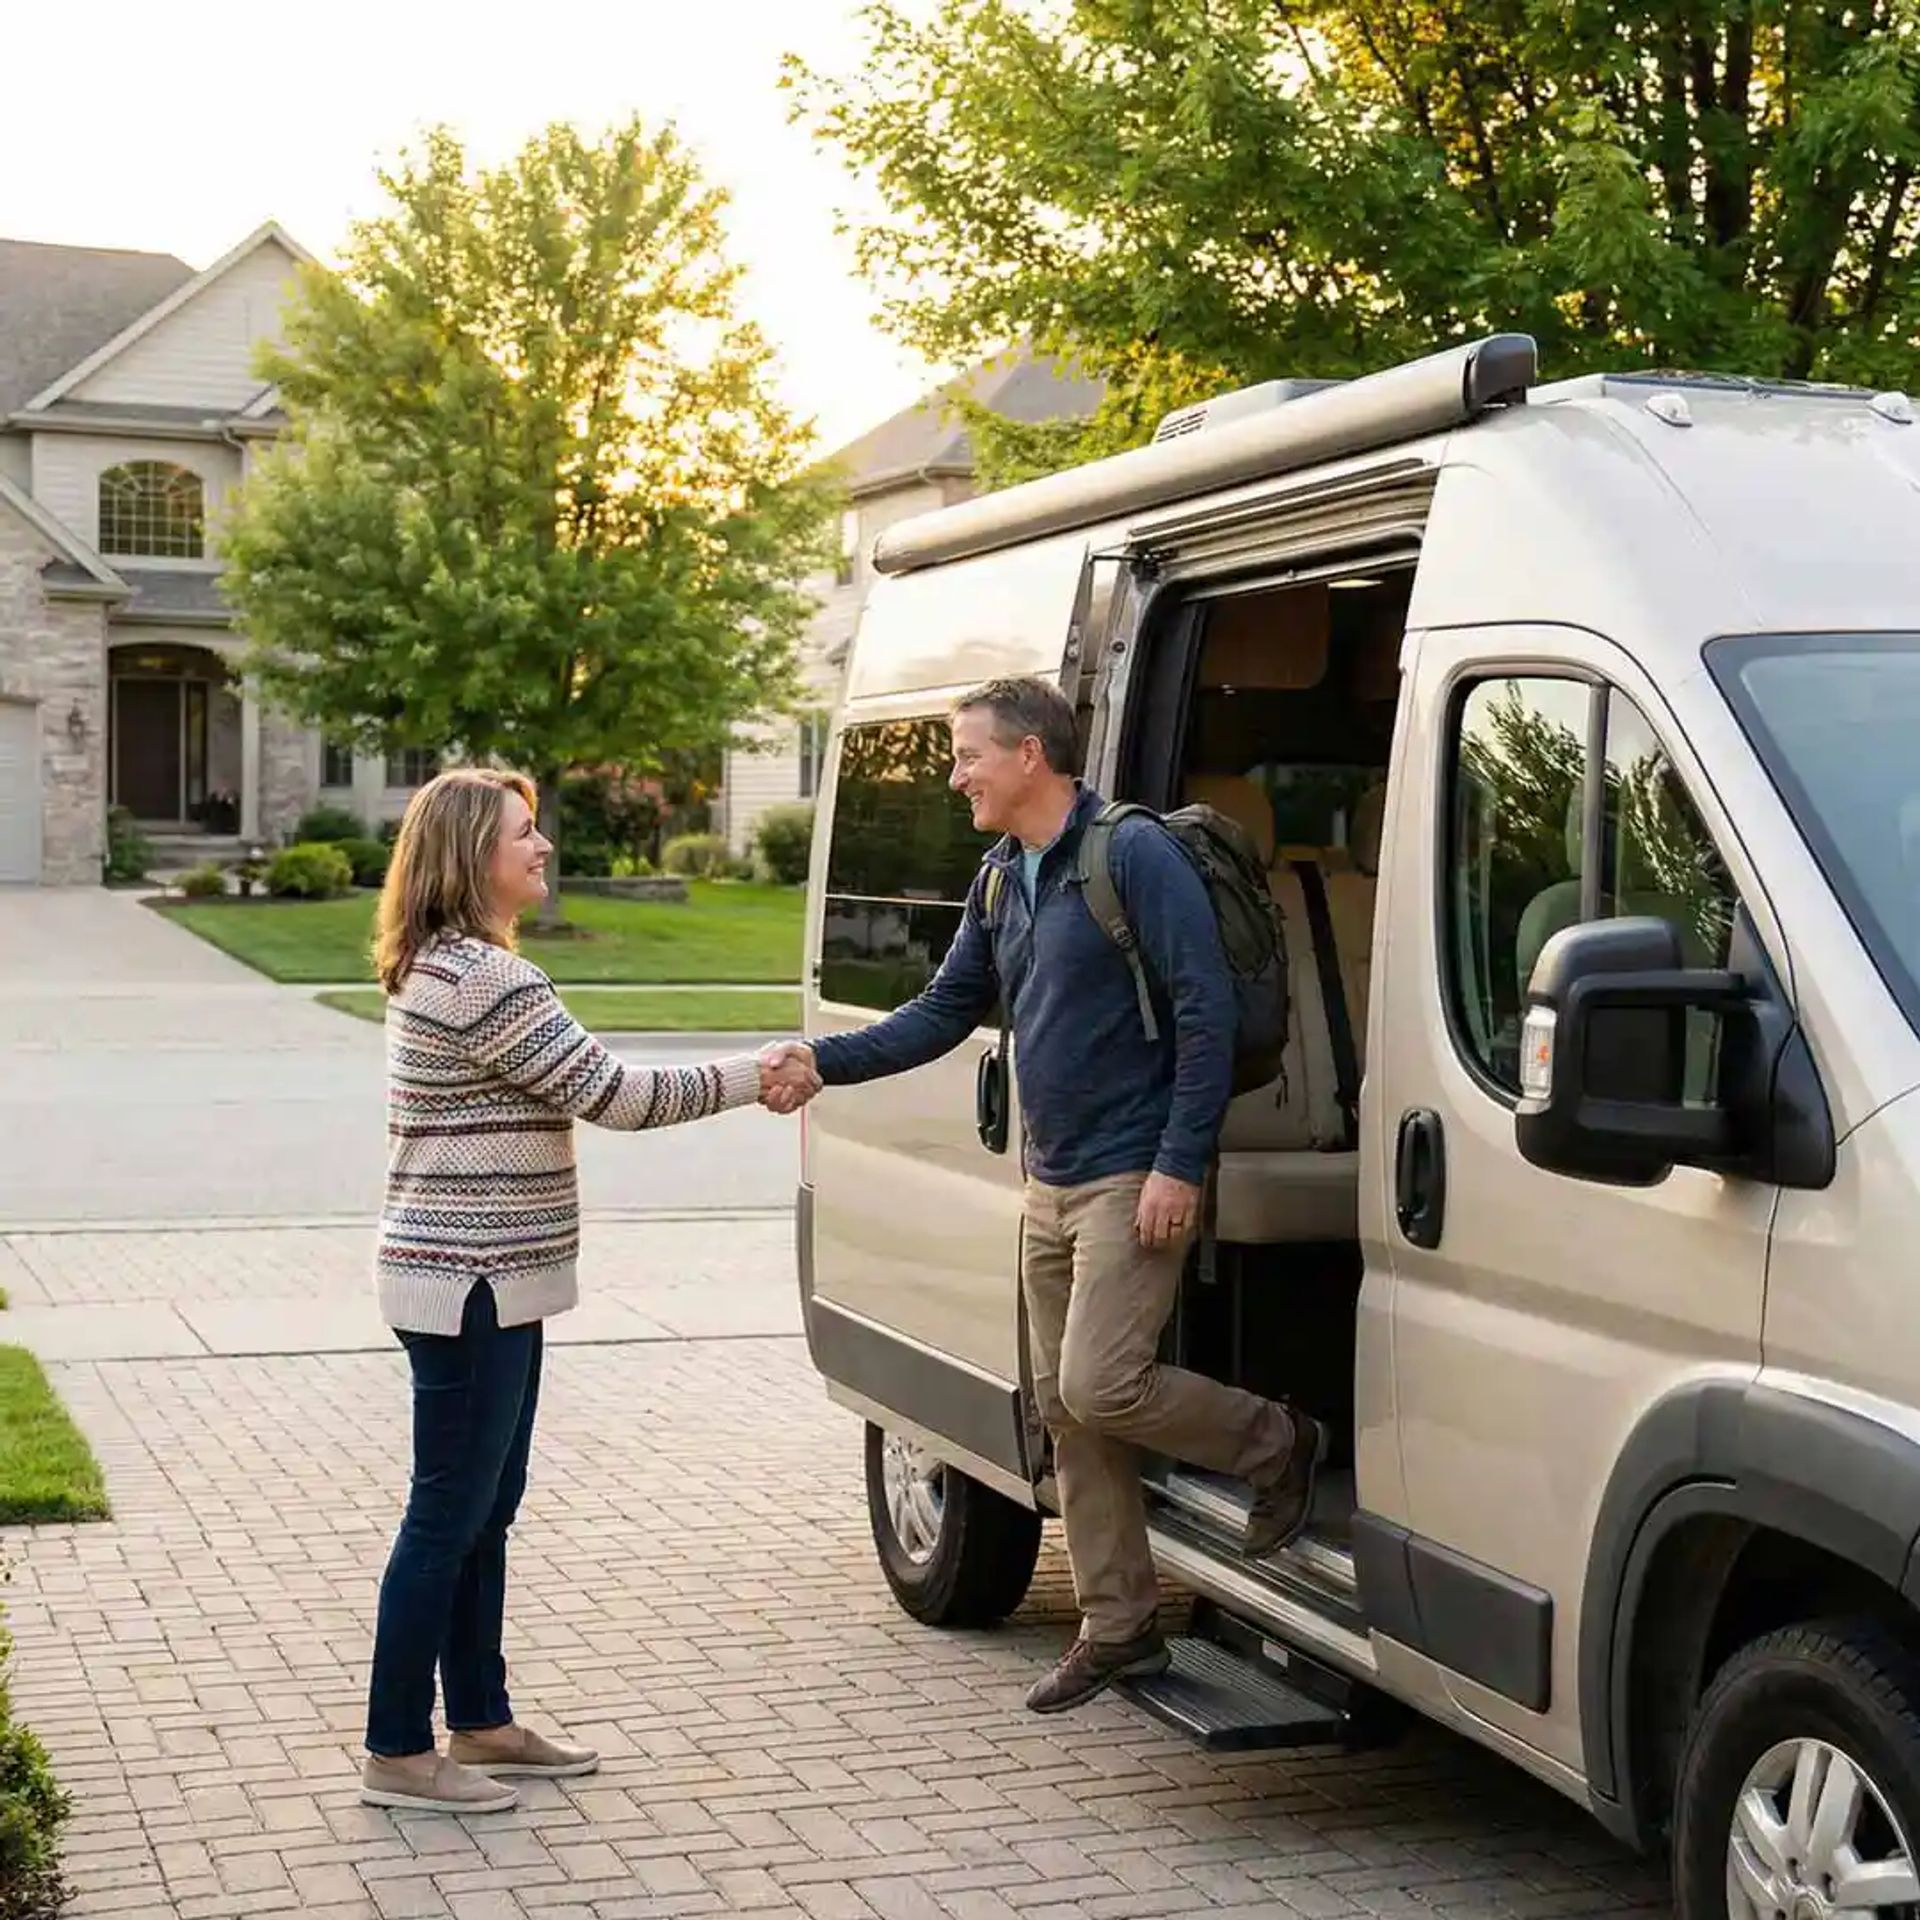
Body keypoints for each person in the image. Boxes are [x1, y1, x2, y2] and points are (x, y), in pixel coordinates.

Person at [762, 677, 1322, 1714]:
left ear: (1029, 756)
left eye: (967, 755)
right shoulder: (999, 877)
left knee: (1103, 1384)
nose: (955, 776)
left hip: (1128, 1174)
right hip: (1048, 1180)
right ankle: (1120, 1627)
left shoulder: (1131, 854)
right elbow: (943, 1011)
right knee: (1066, 1410)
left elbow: (1204, 1012)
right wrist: (821, 1061)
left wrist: (1178, 1164)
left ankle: (1278, 1442)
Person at [360, 768, 819, 1813]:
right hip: (469, 1284)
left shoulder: (449, 965)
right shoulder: (483, 978)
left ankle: (480, 1721)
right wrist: (757, 1072)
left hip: (488, 1281)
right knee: (447, 1517)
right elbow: (616, 1095)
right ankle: (397, 1750)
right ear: (472, 855)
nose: (544, 847)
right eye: (524, 833)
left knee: (483, 1511)